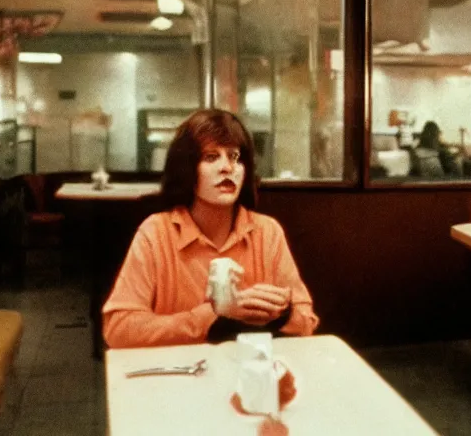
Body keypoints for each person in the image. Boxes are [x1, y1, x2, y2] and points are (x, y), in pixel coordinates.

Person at [102, 109, 319, 348]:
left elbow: (306, 321)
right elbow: (118, 328)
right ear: (186, 169)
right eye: (211, 157)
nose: (227, 168)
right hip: (177, 376)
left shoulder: (267, 231)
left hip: (245, 374)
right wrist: (212, 316)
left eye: (235, 157)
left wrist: (282, 315)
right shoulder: (156, 232)